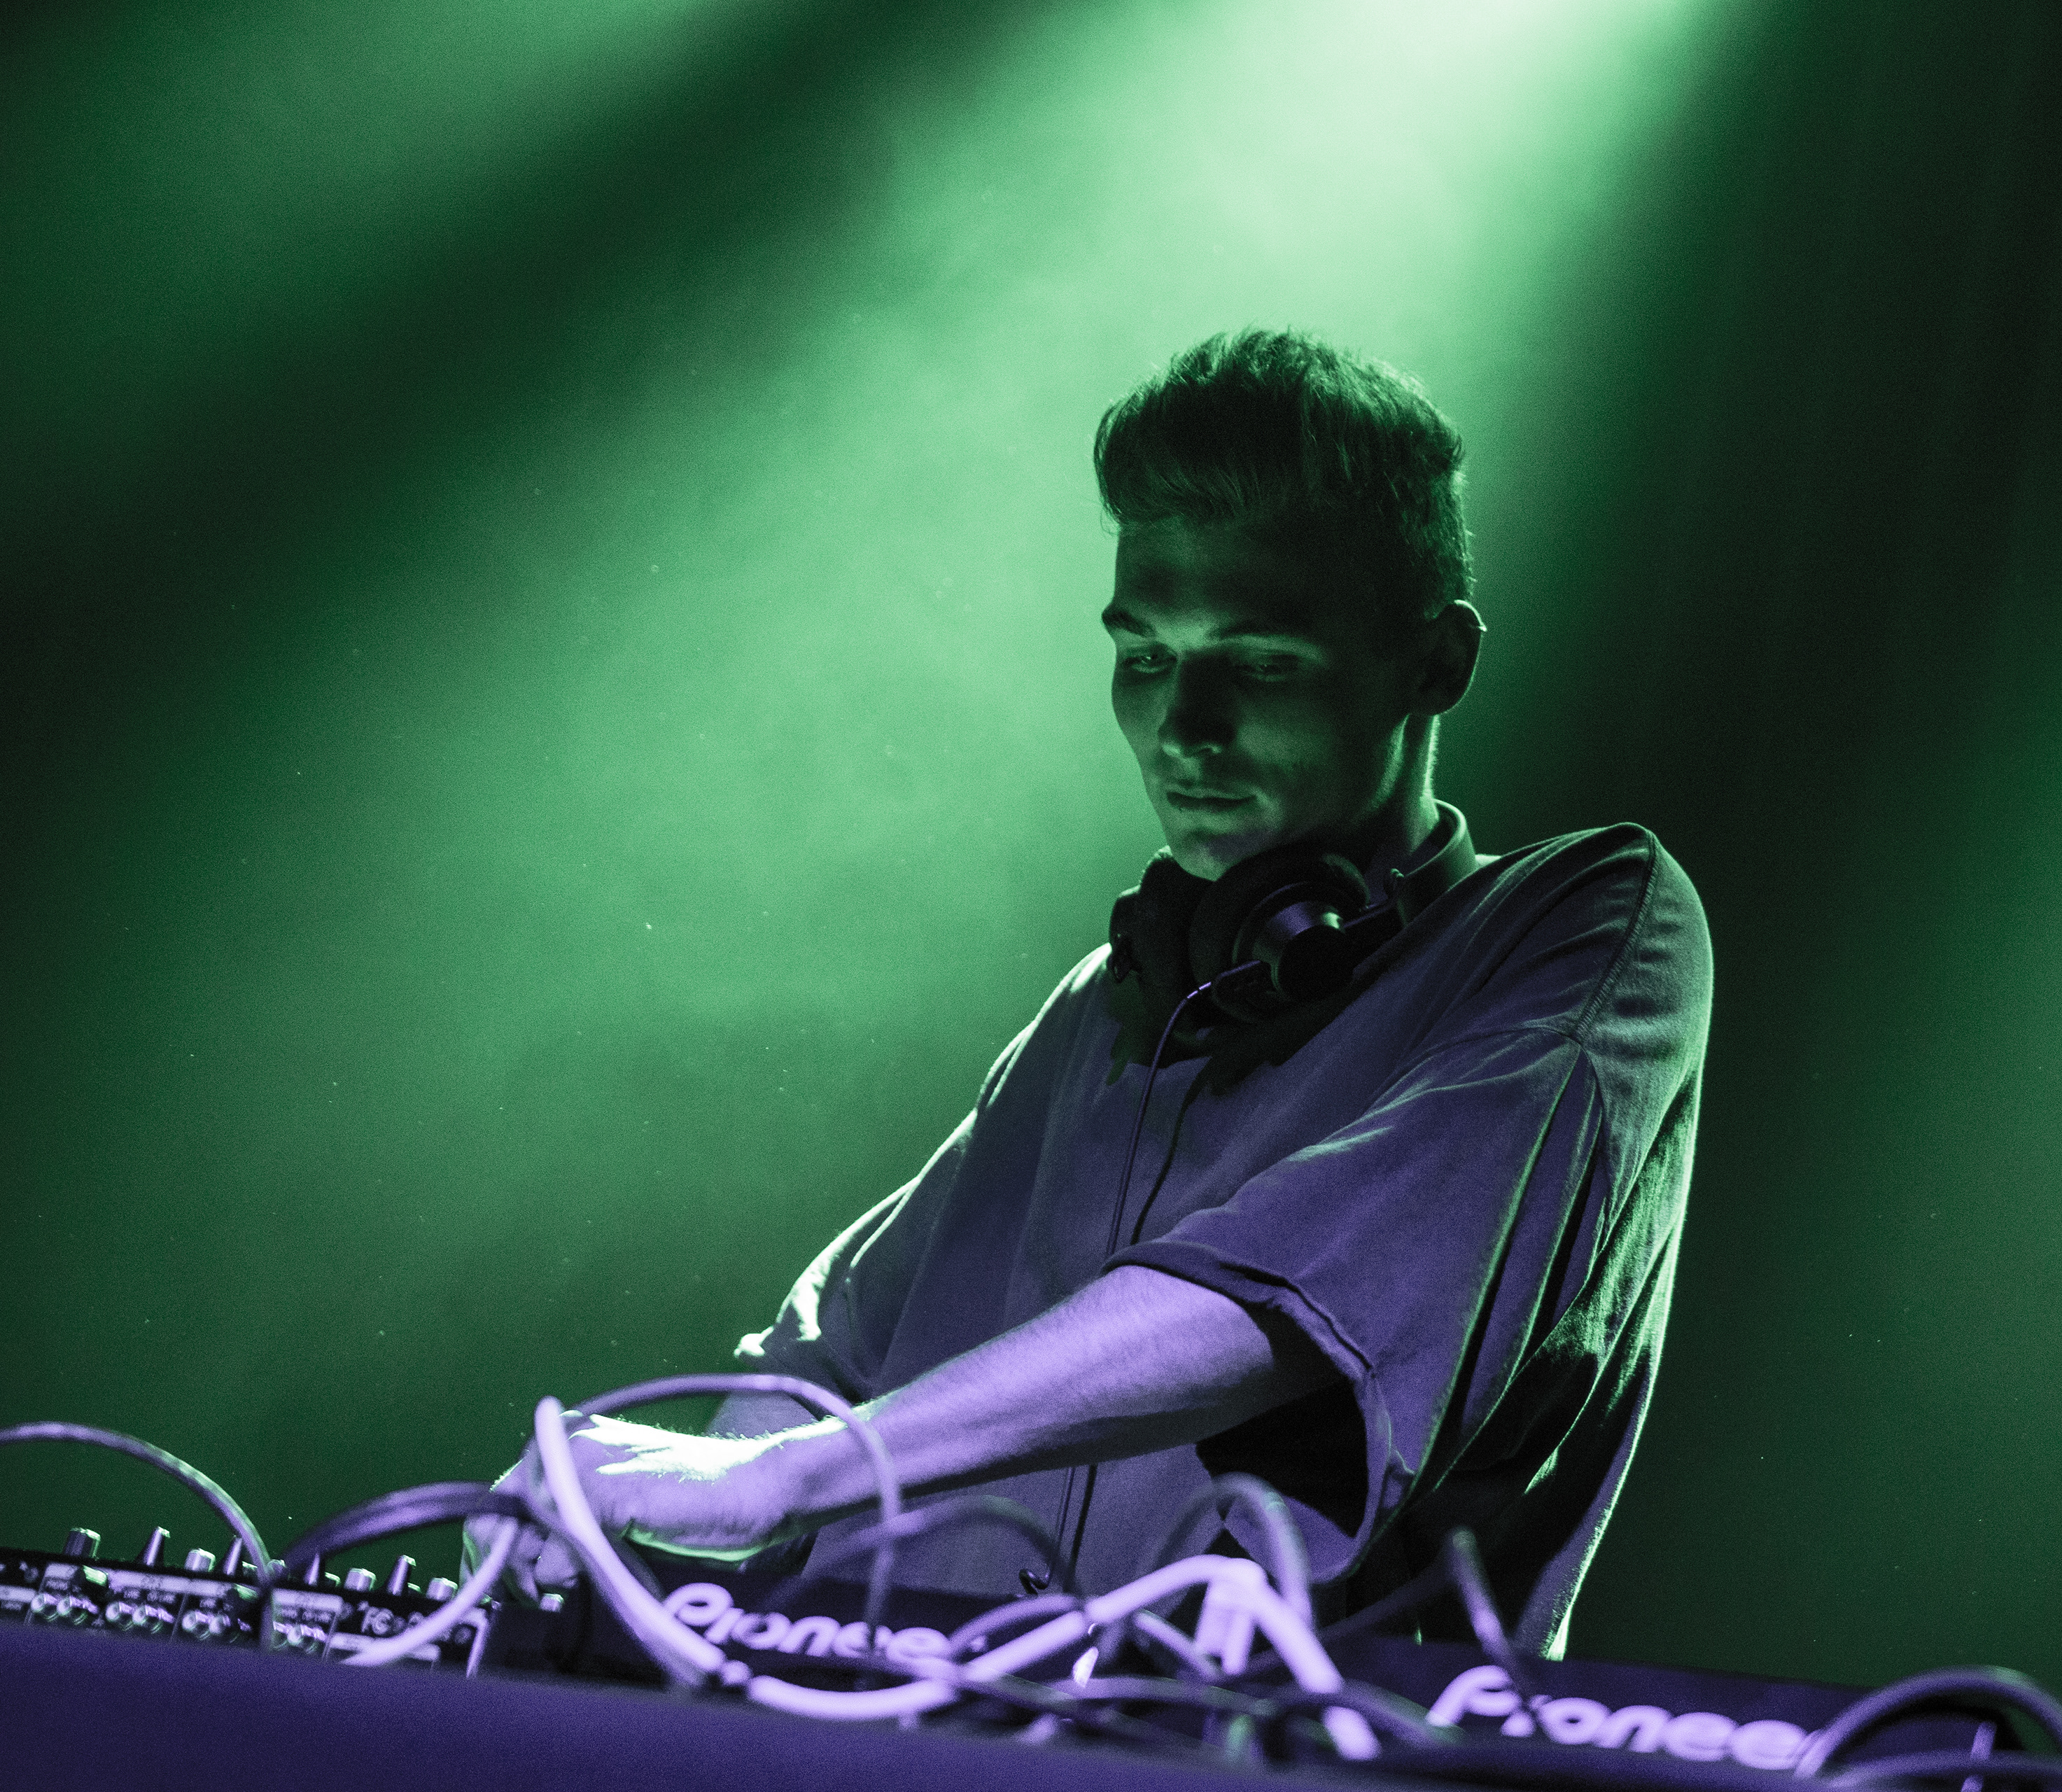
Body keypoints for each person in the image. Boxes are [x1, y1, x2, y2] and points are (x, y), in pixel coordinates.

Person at [503, 328, 1711, 1654]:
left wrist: (778, 1482)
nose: (1184, 729)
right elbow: (827, 1368)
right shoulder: (1112, 1007)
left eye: (1262, 661)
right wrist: (650, 1520)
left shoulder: (1586, 929)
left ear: (1439, 665)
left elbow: (1287, 1304)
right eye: (1145, 656)